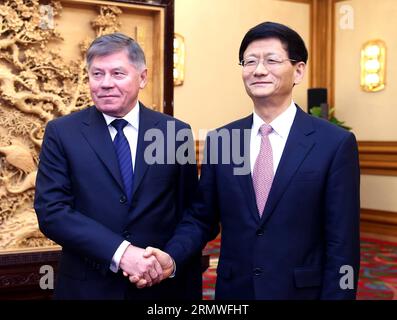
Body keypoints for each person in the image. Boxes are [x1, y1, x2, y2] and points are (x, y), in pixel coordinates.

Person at [134, 21, 361, 299]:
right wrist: (172, 256)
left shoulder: (333, 143)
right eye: (249, 61)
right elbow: (201, 218)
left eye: (272, 60)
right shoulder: (223, 140)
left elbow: (343, 242)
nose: (259, 70)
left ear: (298, 70)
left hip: (302, 292)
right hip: (235, 291)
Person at [34, 33, 201, 300]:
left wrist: (169, 259)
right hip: (87, 288)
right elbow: (52, 211)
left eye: (118, 73)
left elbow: (193, 212)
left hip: (160, 290)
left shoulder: (174, 133)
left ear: (142, 77)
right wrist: (122, 253)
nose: (105, 84)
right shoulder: (62, 132)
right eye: (97, 74)